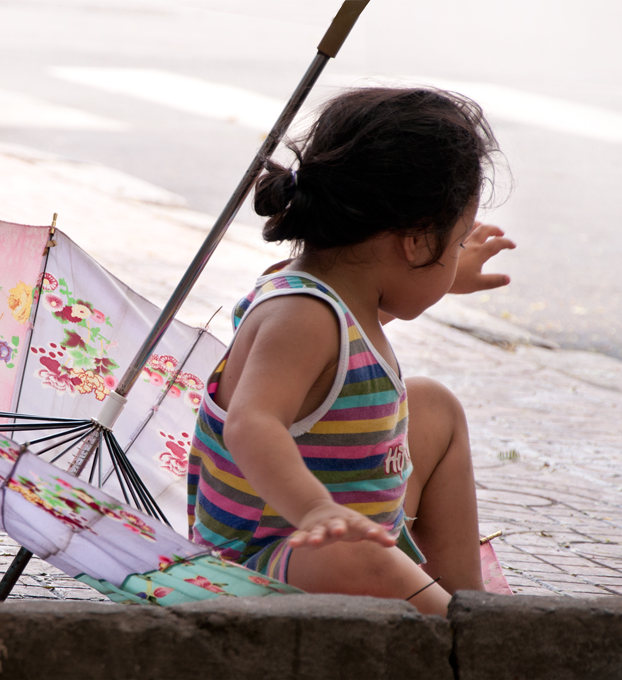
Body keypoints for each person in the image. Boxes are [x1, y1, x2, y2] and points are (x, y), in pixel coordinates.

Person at [187, 87, 515, 616]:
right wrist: (314, 510)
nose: (455, 259)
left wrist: (445, 276)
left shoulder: (335, 296)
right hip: (265, 559)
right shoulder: (301, 315)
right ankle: (460, 635)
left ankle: (465, 599)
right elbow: (252, 423)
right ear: (415, 243)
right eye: (453, 246)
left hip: (351, 524)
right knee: (355, 555)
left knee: (436, 407)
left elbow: (359, 330)